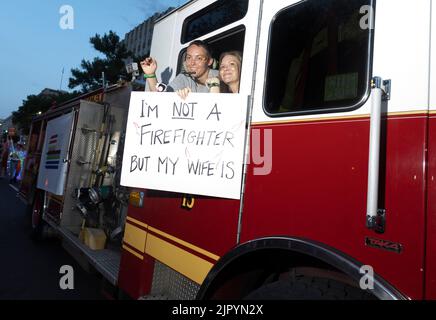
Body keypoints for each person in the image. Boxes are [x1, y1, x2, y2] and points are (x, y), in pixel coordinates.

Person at [140, 40, 219, 99]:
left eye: (198, 58)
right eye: (188, 57)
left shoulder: (220, 77)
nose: (192, 63)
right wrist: (150, 74)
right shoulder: (184, 77)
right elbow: (161, 98)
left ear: (209, 61)